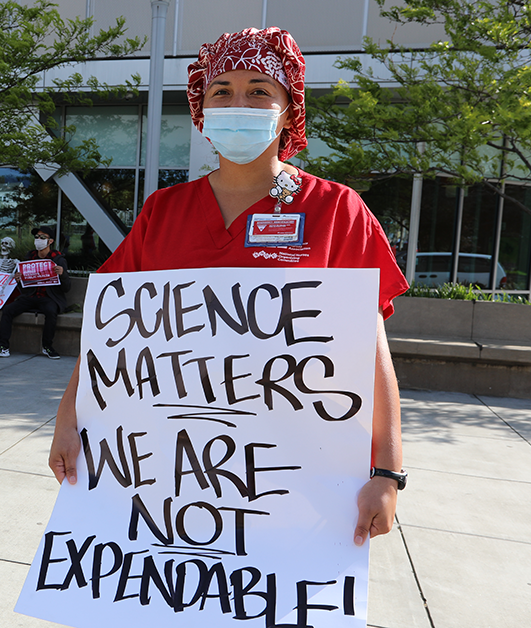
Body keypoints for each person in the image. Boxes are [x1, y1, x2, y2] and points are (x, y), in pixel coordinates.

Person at [47, 27, 410, 548]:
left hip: (294, 479)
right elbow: (114, 333)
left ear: (289, 107)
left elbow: (368, 348)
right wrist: (68, 416)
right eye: (222, 90)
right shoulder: (162, 212)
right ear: (201, 108)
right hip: (167, 474)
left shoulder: (337, 211)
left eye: (260, 89)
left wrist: (388, 472)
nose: (239, 102)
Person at [0, 225, 70, 360]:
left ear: (50, 241)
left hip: (48, 298)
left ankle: (47, 346)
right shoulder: (30, 257)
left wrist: (63, 274)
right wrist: (19, 279)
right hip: (30, 296)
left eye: (43, 237)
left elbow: (66, 288)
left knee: (51, 311)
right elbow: (24, 287)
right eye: (37, 237)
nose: (39, 240)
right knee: (8, 310)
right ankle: (3, 347)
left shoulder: (58, 259)